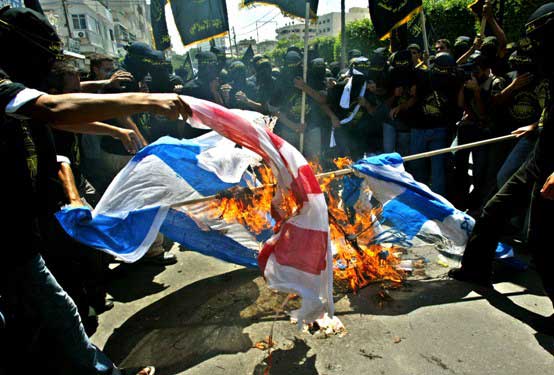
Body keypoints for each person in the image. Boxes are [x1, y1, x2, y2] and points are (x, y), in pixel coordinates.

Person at [0, 6, 192, 373]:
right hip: (11, 239)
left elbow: (57, 112)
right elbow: (54, 107)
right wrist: (147, 101)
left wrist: (113, 124)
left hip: (21, 234)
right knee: (58, 313)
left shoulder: (18, 93)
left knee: (47, 318)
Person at [449, 2, 554, 332]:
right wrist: (537, 127)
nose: (534, 46)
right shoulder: (550, 68)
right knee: (493, 209)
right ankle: (476, 270)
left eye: (538, 38)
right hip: (540, 156)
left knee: (541, 241)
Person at [408, 52, 463, 196]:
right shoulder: (455, 79)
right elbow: (460, 104)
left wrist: (424, 62)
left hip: (422, 128)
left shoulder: (422, 75)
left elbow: (412, 85)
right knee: (437, 170)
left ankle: (421, 198)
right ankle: (437, 201)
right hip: (438, 128)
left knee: (418, 167)